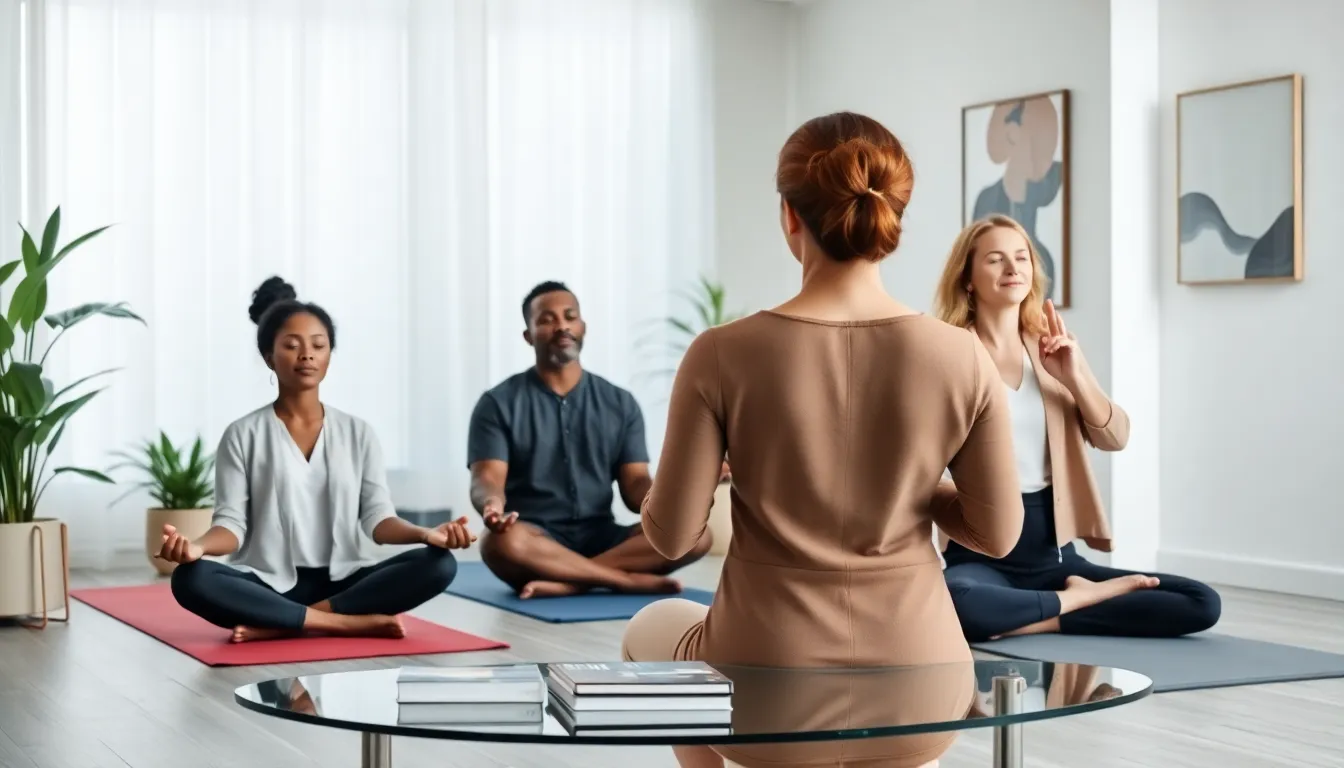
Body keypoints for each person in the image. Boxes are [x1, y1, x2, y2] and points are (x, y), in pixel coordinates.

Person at [619, 111, 1026, 768]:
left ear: (789, 217)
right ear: (894, 217)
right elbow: (999, 532)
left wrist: (725, 475)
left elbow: (669, 538)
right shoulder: (963, 356)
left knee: (647, 630)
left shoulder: (722, 353)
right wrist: (912, 484)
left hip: (764, 695)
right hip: (922, 691)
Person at [932, 215, 1222, 642]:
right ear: (969, 278)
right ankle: (1077, 602)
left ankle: (1046, 609)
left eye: (1021, 258)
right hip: (980, 553)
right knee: (961, 603)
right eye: (995, 260)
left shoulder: (1052, 344)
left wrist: (1075, 377)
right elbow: (923, 464)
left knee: (1201, 602)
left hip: (1056, 555)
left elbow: (1115, 436)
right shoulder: (950, 354)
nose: (1013, 269)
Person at [162, 277, 472, 643]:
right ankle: (344, 624)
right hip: (268, 584)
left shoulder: (359, 433)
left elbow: (378, 520)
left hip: (345, 583)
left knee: (439, 564)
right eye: (291, 346)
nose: (307, 355)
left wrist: (426, 534)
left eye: (318, 345)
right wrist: (196, 546)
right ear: (269, 357)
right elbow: (231, 525)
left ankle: (285, 623)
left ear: (328, 355)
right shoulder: (242, 433)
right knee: (190, 578)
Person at [467, 281, 712, 599]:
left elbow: (636, 487)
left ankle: (571, 581)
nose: (561, 326)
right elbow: (486, 477)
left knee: (698, 534)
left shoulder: (620, 403)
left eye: (570, 316)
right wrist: (492, 507)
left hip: (601, 535)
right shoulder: (497, 403)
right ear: (528, 336)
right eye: (546, 319)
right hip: (535, 540)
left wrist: (680, 499)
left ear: (583, 327)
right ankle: (621, 580)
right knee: (498, 542)